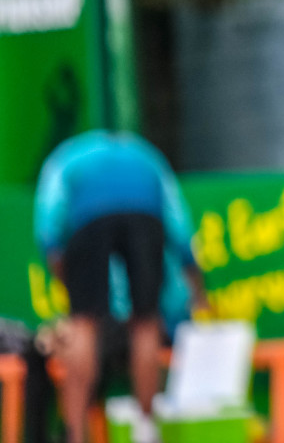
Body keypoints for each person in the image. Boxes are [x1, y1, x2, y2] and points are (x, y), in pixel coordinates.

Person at [34, 131, 207, 443]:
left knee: (83, 323)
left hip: (88, 218)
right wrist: (197, 283)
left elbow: (49, 216)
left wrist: (62, 269)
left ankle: (75, 434)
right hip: (145, 214)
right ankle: (146, 429)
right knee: (145, 322)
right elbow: (178, 220)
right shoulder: (147, 157)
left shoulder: (66, 158)